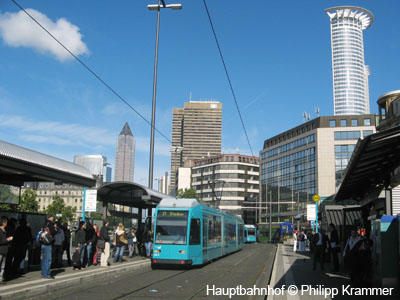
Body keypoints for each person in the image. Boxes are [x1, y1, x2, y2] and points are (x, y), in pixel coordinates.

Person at [41, 214, 56, 279]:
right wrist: (56, 228)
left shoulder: (44, 224)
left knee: (44, 259)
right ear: (50, 218)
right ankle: (47, 274)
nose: (53, 218)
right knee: (48, 259)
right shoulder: (50, 224)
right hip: (48, 243)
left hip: (43, 243)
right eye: (52, 217)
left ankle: (43, 273)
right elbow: (53, 232)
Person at [0, 216, 13, 283]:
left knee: (3, 265)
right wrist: (7, 239)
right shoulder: (0, 231)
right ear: (3, 222)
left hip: (5, 250)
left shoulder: (5, 230)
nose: (7, 223)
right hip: (1, 250)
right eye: (6, 222)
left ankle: (1, 278)